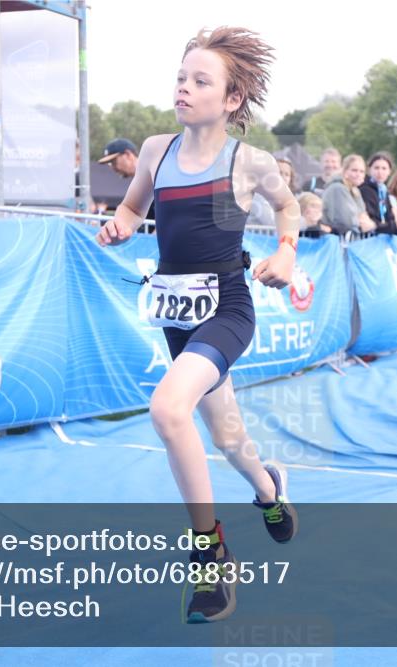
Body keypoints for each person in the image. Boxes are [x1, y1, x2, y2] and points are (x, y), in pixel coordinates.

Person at [94, 26, 298, 624]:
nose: (184, 87)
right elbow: (134, 204)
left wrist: (286, 252)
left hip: (227, 308)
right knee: (228, 437)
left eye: (200, 80)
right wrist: (122, 225)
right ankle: (269, 489)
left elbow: (288, 206)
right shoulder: (156, 151)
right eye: (181, 77)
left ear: (232, 98)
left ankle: (210, 555)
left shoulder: (249, 162)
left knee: (168, 409)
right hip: (176, 315)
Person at [98, 138, 156, 222]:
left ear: (128, 155)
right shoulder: (140, 181)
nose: (113, 168)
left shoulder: (153, 175)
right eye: (110, 164)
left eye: (114, 162)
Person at [321, 154, 375, 235]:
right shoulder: (338, 188)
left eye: (362, 171)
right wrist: (363, 222)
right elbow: (346, 221)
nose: (358, 174)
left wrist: (368, 223)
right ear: (345, 171)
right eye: (354, 170)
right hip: (334, 238)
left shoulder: (354, 190)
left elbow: (364, 215)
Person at [360, 151, 396, 233]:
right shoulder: (365, 189)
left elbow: (390, 216)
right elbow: (372, 218)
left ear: (389, 171)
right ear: (369, 170)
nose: (380, 172)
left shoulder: (384, 190)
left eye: (384, 168)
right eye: (376, 168)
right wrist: (392, 225)